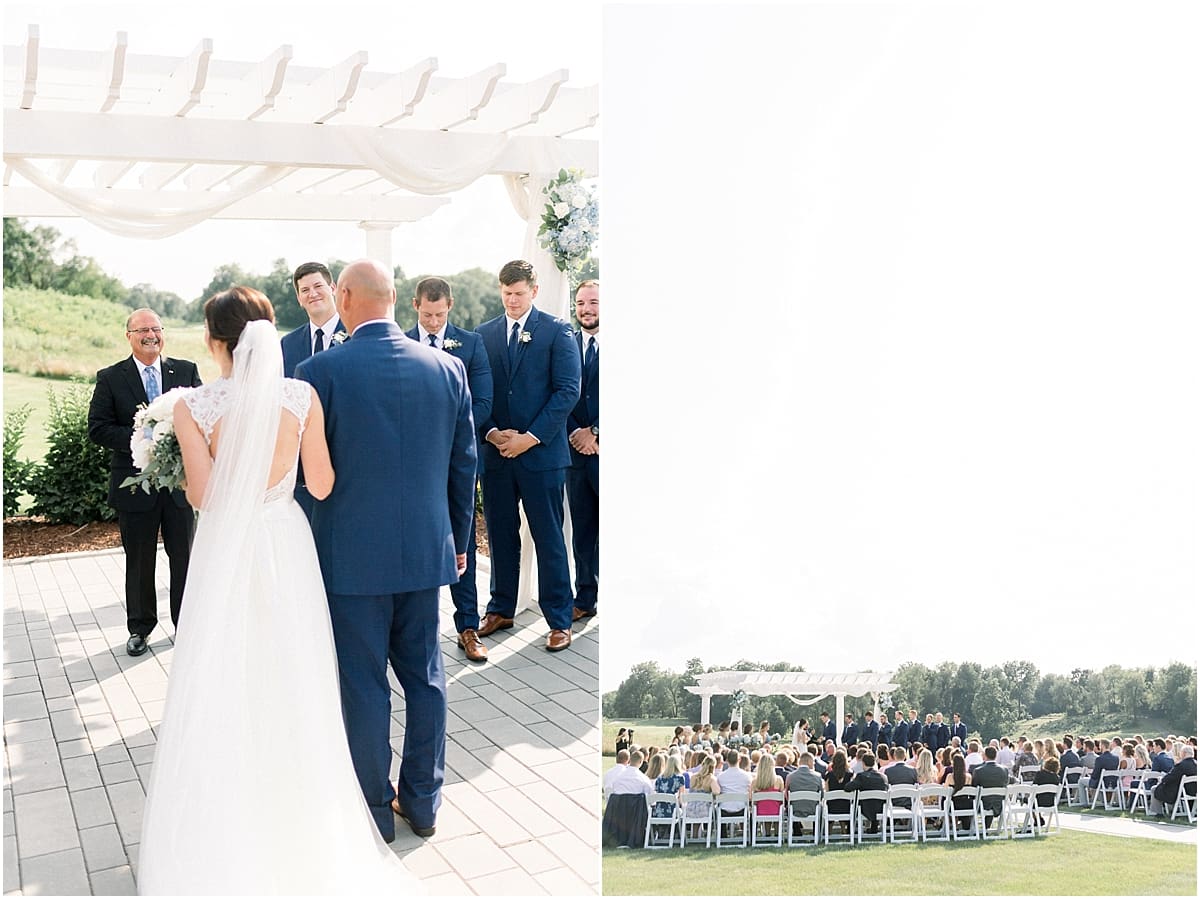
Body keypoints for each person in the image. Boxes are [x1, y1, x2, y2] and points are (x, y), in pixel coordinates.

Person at [137, 289, 415, 894]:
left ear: (215, 341)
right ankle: (301, 812)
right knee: (294, 672)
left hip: (227, 550)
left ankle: (227, 814)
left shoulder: (192, 406)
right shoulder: (300, 396)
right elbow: (322, 484)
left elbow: (204, 497)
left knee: (225, 672)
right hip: (285, 543)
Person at [298, 259, 477, 841]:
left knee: (363, 684)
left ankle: (374, 810)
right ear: (396, 298)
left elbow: (309, 478)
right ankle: (422, 804)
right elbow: (464, 466)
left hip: (350, 560)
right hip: (426, 553)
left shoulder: (317, 371)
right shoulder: (448, 368)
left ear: (344, 296)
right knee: (425, 679)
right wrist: (457, 542)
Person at [474, 260, 581, 651]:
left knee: (549, 538)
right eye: (507, 294)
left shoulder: (557, 331)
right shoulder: (483, 334)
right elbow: (477, 391)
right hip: (497, 453)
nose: (513, 301)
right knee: (500, 536)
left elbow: (567, 391)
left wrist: (531, 438)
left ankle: (559, 619)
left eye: (519, 293)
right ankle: (501, 608)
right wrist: (491, 432)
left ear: (534, 291)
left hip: (542, 456)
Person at [88, 308, 202, 656]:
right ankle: (140, 628)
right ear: (129, 336)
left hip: (179, 486)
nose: (151, 335)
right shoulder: (111, 378)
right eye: (142, 330)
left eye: (156, 329)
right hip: (135, 486)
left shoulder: (185, 371)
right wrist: (144, 439)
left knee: (185, 558)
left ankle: (187, 625)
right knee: (139, 562)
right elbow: (98, 428)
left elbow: (203, 418)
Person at [405, 276, 494, 663]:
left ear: (450, 306)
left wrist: (446, 437)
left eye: (439, 315)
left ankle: (467, 626)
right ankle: (412, 631)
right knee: (412, 540)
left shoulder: (471, 344)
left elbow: (483, 402)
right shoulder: (401, 344)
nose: (433, 322)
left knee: (463, 542)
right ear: (415, 306)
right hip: (413, 466)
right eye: (427, 315)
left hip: (458, 462)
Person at [279, 262, 347, 517]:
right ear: (299, 298)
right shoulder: (287, 344)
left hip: (346, 458)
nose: (313, 294)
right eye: (305, 290)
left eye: (318, 286)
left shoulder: (355, 335)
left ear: (333, 288)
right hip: (300, 470)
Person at [565, 279, 600, 624]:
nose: (586, 309)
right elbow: (558, 391)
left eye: (593, 302)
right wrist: (576, 432)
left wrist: (597, 432)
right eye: (580, 303)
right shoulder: (568, 345)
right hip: (575, 455)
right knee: (583, 532)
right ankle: (585, 598)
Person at [845, 751, 889, 834]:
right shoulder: (883, 777)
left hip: (864, 809)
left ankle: (850, 830)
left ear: (863, 763)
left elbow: (847, 788)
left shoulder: (861, 776)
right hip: (880, 808)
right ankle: (874, 826)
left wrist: (853, 780)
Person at [1150, 745, 1196, 816]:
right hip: (1194, 791)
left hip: (1181, 791)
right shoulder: (1196, 764)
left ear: (1184, 753)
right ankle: (1171, 809)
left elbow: (1170, 777)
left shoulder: (1181, 765)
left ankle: (1159, 813)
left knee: (1154, 788)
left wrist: (1162, 779)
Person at [971, 745, 1010, 828]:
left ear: (984, 756)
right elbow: (1005, 784)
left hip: (983, 804)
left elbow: (974, 788)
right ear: (996, 756)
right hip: (999, 803)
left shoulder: (978, 771)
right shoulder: (1005, 770)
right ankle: (986, 827)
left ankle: (969, 826)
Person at [785, 752, 824, 835]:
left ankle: (797, 831)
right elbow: (822, 795)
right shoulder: (817, 776)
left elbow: (786, 795)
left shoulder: (790, 776)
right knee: (820, 806)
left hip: (795, 809)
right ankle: (816, 832)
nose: (814, 764)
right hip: (813, 809)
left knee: (789, 807)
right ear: (809, 762)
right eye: (813, 762)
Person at [823, 749, 855, 833]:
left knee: (831, 802)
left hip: (831, 807)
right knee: (843, 802)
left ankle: (829, 831)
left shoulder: (829, 775)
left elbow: (827, 791)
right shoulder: (850, 775)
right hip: (846, 807)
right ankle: (844, 830)